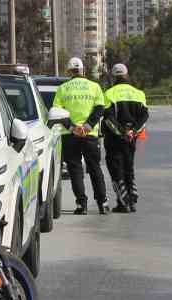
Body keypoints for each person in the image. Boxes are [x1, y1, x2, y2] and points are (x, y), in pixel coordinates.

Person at [51, 57, 110, 215]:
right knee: (95, 168)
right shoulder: (94, 87)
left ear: (69, 71)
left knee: (75, 169)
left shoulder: (63, 88)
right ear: (83, 70)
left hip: (70, 135)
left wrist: (72, 127)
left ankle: (81, 205)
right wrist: (87, 126)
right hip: (90, 134)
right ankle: (102, 203)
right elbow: (100, 109)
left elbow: (57, 112)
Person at [102, 63, 148, 212]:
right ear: (126, 75)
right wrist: (133, 131)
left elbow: (108, 118)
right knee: (129, 167)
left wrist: (122, 132)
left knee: (116, 169)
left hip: (114, 138)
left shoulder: (109, 93)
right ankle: (132, 199)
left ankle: (123, 202)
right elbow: (144, 117)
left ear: (113, 77)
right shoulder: (139, 93)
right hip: (131, 138)